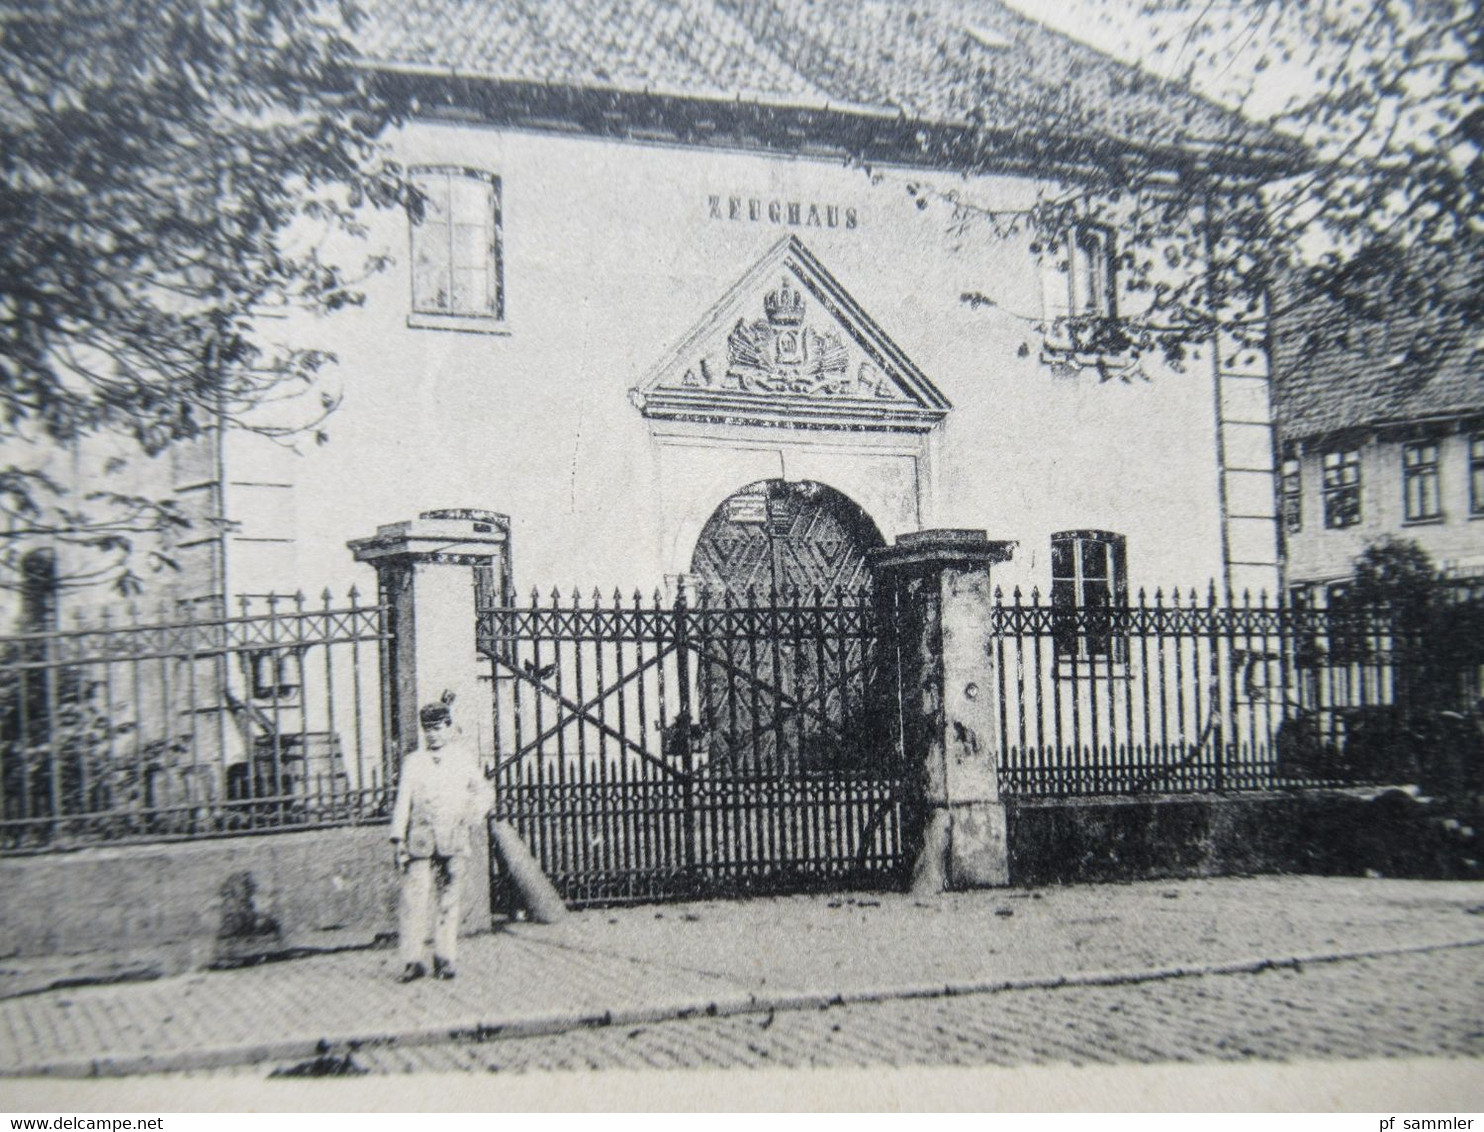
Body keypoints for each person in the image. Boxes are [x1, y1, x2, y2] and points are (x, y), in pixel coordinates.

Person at [389, 694, 492, 982]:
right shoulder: (414, 762)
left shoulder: (463, 760)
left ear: (449, 727)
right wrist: (398, 839)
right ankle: (413, 960)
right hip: (420, 839)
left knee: (449, 899)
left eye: (438, 728)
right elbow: (403, 801)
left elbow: (483, 792)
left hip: (453, 837)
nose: (433, 735)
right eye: (428, 730)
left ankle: (444, 958)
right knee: (415, 900)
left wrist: (471, 816)